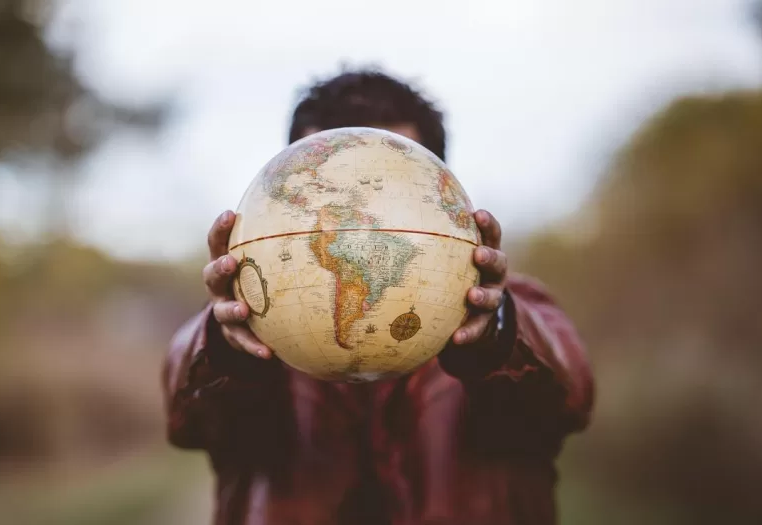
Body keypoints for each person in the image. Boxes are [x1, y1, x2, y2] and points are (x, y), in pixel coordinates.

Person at [162, 68, 595, 525]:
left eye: (390, 186)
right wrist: (226, 349)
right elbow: (187, 420)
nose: (363, 221)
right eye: (331, 190)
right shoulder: (247, 316)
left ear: (442, 192)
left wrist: (498, 333)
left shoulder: (509, 305)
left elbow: (572, 398)